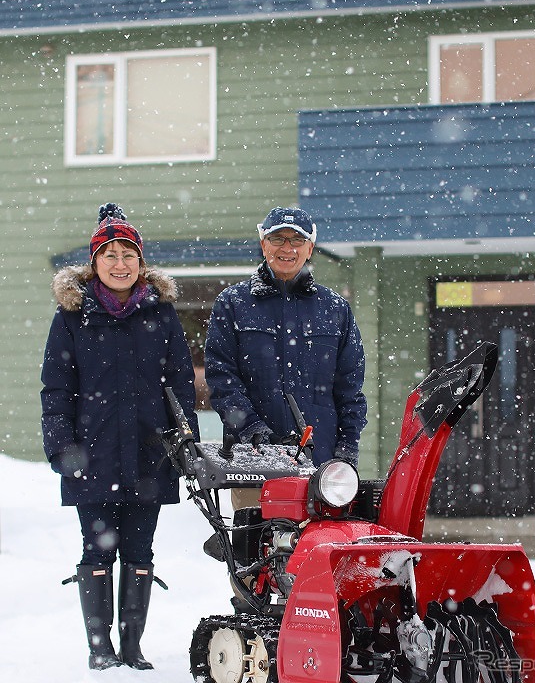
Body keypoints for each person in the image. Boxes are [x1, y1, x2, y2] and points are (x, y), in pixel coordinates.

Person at [40, 203, 199, 671]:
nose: (120, 263)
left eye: (128, 254)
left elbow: (180, 384)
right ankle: (100, 647)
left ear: (141, 263)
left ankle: (132, 645)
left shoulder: (162, 315)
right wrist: (62, 447)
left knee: (139, 550)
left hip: (150, 455)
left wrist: (180, 439)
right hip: (91, 457)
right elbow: (56, 390)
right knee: (96, 551)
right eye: (109, 254)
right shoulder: (71, 319)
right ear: (94, 264)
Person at [204, 205, 367, 484]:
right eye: (278, 239)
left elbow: (350, 386)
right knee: (257, 529)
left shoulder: (335, 309)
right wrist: (251, 429)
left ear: (310, 247)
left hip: (321, 462)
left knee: (319, 530)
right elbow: (222, 378)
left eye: (297, 240)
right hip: (252, 461)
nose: (287, 248)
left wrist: (348, 443)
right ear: (263, 244)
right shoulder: (233, 303)